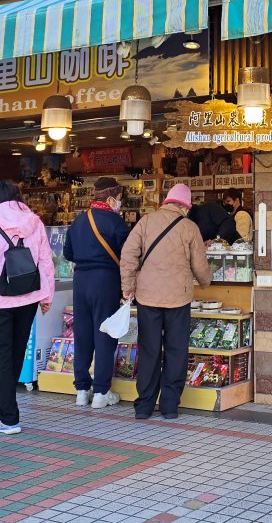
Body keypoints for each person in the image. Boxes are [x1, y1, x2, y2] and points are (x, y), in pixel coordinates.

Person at [0, 179, 55, 435]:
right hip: (28, 296)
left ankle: (8, 418)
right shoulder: (35, 222)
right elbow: (45, 261)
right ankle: (2, 399)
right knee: (16, 352)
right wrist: (46, 296)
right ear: (19, 197)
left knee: (1, 355)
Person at [119, 184, 211, 420]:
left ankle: (144, 406)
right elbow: (200, 266)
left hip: (147, 298)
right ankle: (170, 406)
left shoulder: (146, 222)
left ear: (167, 202)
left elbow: (128, 254)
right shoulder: (190, 228)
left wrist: (128, 287)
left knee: (149, 350)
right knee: (176, 351)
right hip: (178, 299)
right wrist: (205, 282)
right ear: (185, 207)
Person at [63, 177, 130, 410]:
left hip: (81, 281)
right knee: (105, 334)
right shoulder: (116, 223)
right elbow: (128, 255)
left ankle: (82, 390)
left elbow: (68, 253)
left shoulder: (78, 221)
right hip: (106, 281)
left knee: (82, 335)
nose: (120, 203)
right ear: (111, 197)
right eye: (119, 199)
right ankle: (101, 392)